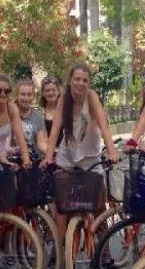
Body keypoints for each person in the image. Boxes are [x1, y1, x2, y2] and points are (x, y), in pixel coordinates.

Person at [43, 63, 120, 239]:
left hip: (91, 158)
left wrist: (112, 152)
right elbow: (55, 130)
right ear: (70, 81)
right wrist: (48, 157)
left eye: (85, 80)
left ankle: (104, 253)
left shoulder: (91, 97)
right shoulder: (64, 99)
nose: (81, 83)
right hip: (67, 158)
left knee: (99, 206)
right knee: (62, 209)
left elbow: (104, 127)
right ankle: (60, 255)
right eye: (77, 79)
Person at [12, 78, 48, 158]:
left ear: (33, 96)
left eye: (29, 94)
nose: (26, 98)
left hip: (33, 158)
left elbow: (41, 143)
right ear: (17, 95)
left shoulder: (38, 116)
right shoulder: (9, 113)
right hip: (12, 158)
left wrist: (53, 153)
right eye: (23, 94)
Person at [40, 75, 62, 142]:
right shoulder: (39, 113)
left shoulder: (65, 111)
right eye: (47, 90)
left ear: (58, 92)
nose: (50, 93)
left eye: (53, 90)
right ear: (43, 93)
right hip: (45, 150)